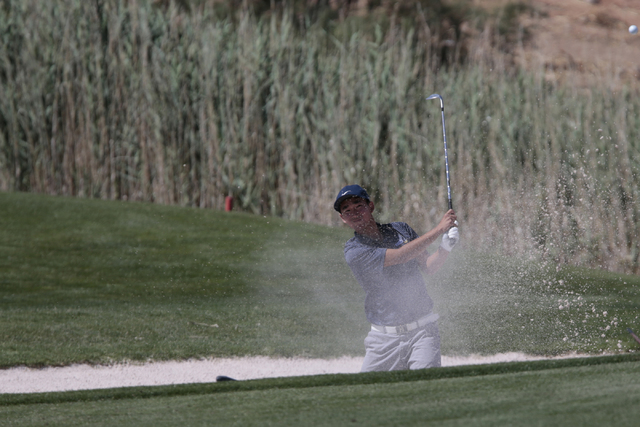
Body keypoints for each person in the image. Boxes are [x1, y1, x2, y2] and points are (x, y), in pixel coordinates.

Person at [334, 184, 459, 372]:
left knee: (426, 390)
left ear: (371, 206)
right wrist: (439, 229)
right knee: (367, 396)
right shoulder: (354, 251)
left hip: (423, 332)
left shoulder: (400, 230)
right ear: (343, 218)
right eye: (348, 211)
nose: (355, 213)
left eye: (359, 206)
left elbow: (428, 267)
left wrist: (446, 247)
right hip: (383, 340)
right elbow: (400, 256)